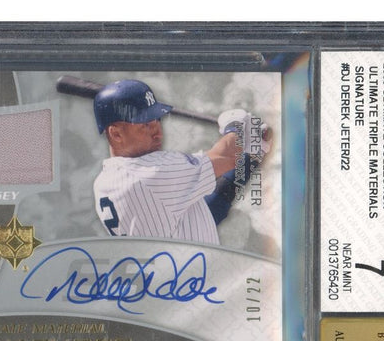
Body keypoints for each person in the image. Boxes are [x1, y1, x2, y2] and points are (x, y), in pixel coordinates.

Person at [92, 79, 270, 245]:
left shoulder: (104, 181)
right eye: (145, 125)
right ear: (116, 134)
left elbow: (203, 213)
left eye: (156, 120)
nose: (158, 133)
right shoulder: (152, 172)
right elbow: (229, 156)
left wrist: (251, 157)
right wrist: (236, 126)